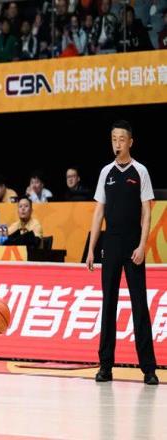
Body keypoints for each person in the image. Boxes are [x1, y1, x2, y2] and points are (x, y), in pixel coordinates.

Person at [86, 120, 158, 386]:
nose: (117, 144)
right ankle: (105, 366)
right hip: (111, 244)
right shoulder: (106, 172)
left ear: (130, 142)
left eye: (121, 139)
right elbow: (98, 213)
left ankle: (148, 369)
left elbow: (147, 212)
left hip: (132, 245)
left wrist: (142, 245)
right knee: (109, 304)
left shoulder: (140, 171)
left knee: (139, 305)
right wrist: (91, 249)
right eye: (114, 139)